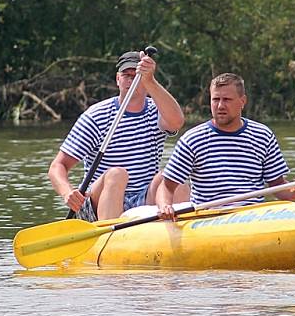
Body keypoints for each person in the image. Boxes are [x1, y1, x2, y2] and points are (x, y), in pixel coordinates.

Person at [48, 49, 190, 221]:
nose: (131, 80)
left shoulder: (157, 110)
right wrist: (67, 193)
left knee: (173, 176)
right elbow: (58, 166)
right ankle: (110, 236)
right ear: (118, 79)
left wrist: (150, 80)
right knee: (117, 175)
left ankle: (179, 234)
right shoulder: (96, 116)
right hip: (97, 202)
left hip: (143, 198)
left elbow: (176, 122)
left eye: (136, 76)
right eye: (126, 75)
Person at [156, 72, 295, 220]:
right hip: (210, 218)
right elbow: (167, 187)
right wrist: (165, 206)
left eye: (227, 100)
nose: (220, 106)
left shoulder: (263, 135)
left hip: (253, 216)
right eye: (216, 100)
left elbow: (278, 186)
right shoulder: (193, 139)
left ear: (242, 101)